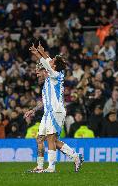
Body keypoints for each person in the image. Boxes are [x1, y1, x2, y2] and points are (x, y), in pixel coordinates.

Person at [25, 43, 83, 173]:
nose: (50, 61)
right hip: (48, 113)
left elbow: (47, 63)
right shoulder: (49, 80)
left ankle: (51, 167)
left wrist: (37, 54)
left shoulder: (56, 75)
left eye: (52, 62)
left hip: (56, 111)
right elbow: (49, 61)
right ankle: (43, 165)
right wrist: (42, 52)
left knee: (51, 138)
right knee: (40, 138)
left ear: (54, 66)